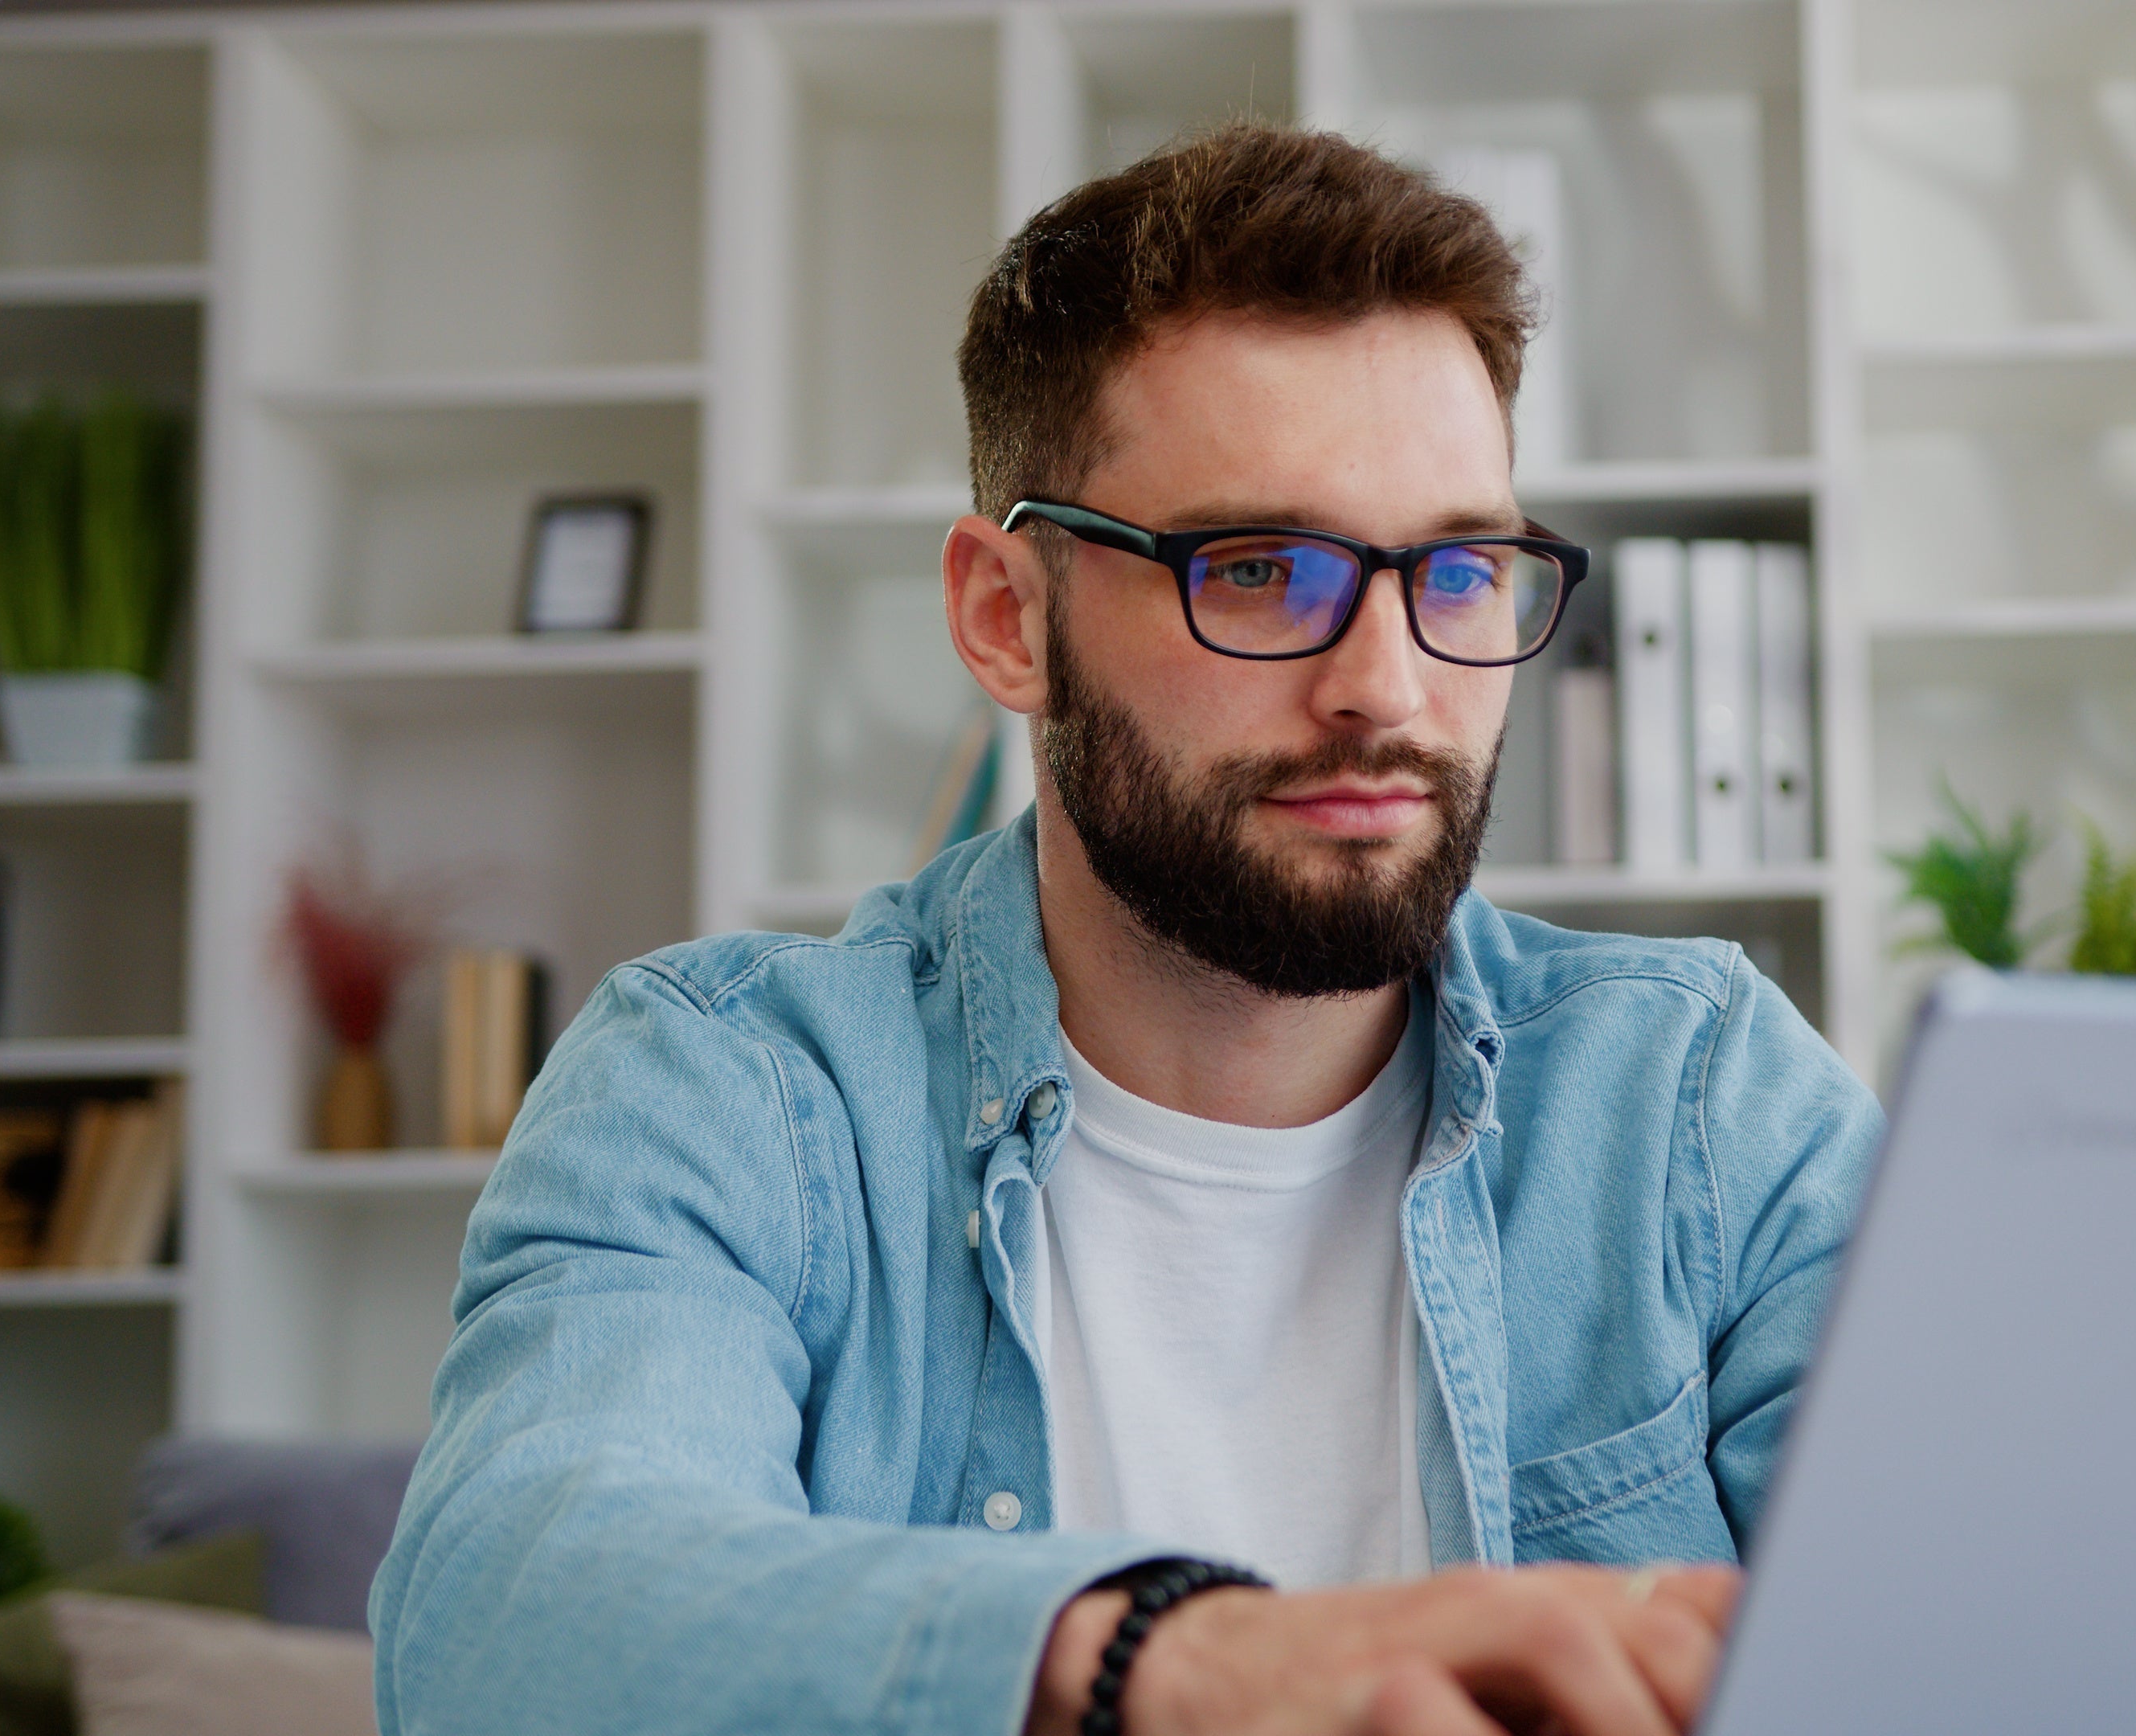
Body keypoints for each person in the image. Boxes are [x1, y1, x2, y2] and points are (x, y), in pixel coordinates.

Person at [369, 124, 1879, 1736]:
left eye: (1458, 569)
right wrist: (1165, 1664)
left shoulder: (1701, 1097)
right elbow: (502, 1622)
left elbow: (1993, 1622)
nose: (1385, 684)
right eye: (1258, 569)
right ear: (1004, 618)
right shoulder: (733, 1089)